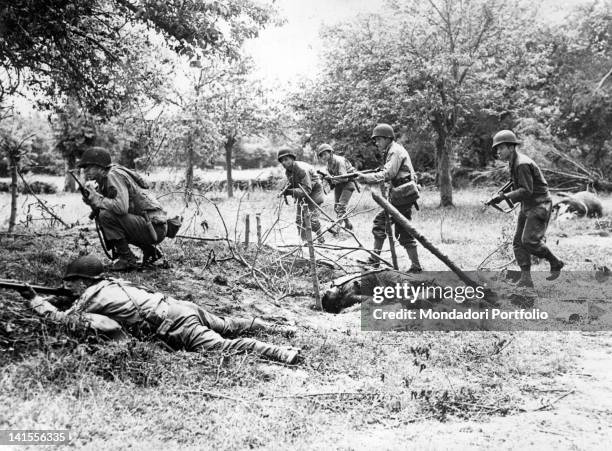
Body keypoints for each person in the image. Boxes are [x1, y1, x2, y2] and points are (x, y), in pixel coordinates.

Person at [22, 255, 302, 364]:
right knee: (228, 324)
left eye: (70, 284)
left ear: (83, 282)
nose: (67, 289)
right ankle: (275, 328)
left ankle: (280, 352)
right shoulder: (112, 282)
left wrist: (35, 299)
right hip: (180, 308)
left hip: (174, 324)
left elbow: (62, 320)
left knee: (224, 347)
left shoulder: (90, 299)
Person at [488, 130, 564, 287]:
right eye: (497, 149)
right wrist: (498, 195)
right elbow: (514, 183)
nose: (498, 152)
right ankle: (526, 279)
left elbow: (526, 190)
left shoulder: (522, 164)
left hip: (539, 204)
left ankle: (555, 262)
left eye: (501, 148)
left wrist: (504, 197)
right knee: (518, 243)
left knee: (529, 241)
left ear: (511, 147)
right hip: (528, 205)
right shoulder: (513, 162)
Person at [77, 147, 168, 271]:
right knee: (105, 216)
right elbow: (108, 206)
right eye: (84, 168)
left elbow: (121, 208)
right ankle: (151, 252)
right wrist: (92, 201)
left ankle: (127, 258)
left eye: (88, 167)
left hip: (154, 227)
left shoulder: (112, 175)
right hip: (152, 225)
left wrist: (98, 200)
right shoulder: (106, 177)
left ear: (99, 166)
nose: (85, 171)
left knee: (106, 216)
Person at [355, 124, 422, 272]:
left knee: (380, 223)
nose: (376, 143)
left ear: (387, 138)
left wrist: (366, 178)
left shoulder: (395, 151)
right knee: (403, 231)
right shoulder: (391, 151)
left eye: (379, 139)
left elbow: (388, 174)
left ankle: (374, 261)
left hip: (403, 194)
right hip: (402, 194)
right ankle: (416, 267)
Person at [278, 148, 326, 244]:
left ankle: (321, 238)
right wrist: (285, 189)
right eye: (282, 161)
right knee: (299, 220)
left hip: (314, 192)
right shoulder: (288, 171)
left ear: (292, 159)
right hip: (303, 192)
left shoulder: (301, 170)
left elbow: (307, 190)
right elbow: (295, 184)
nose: (284, 162)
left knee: (311, 220)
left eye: (286, 159)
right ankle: (306, 242)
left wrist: (289, 192)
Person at [317, 143, 356, 232]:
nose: (324, 157)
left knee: (341, 207)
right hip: (339, 185)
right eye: (322, 155)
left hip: (348, 184)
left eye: (325, 154)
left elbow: (345, 178)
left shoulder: (339, 161)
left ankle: (336, 228)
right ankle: (348, 224)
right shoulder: (329, 164)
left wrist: (332, 179)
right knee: (336, 208)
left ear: (330, 153)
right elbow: (331, 176)